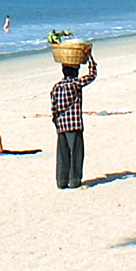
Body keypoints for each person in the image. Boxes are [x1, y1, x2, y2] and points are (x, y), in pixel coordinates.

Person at [50, 51, 98, 190]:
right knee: (76, 153)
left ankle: (61, 180)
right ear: (75, 72)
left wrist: (57, 123)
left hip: (61, 126)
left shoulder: (56, 87)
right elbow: (92, 75)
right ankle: (74, 180)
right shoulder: (75, 84)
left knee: (62, 154)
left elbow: (54, 108)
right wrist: (90, 57)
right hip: (74, 124)